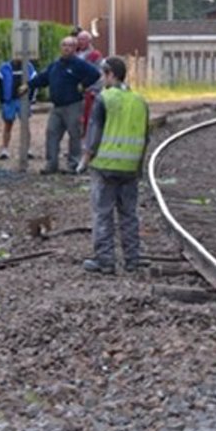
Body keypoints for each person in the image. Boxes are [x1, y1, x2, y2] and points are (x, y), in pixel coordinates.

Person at [78, 57, 149, 275]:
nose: (102, 79)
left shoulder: (104, 99)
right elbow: (145, 136)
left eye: (103, 74)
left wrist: (85, 161)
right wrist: (138, 166)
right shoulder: (139, 101)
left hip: (106, 166)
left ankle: (105, 261)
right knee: (129, 214)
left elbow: (94, 134)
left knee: (103, 214)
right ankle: (132, 259)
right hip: (130, 167)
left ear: (110, 74)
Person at [23, 36, 100, 175]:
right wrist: (28, 85)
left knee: (74, 135)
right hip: (57, 106)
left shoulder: (79, 64)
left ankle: (74, 164)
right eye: (64, 45)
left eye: (69, 45)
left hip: (73, 105)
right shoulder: (55, 65)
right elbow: (43, 78)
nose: (66, 48)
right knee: (51, 133)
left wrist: (83, 85)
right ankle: (51, 164)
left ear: (74, 48)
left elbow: (95, 74)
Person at [0, 58, 37, 160]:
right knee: (8, 125)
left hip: (23, 100)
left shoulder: (29, 67)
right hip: (9, 100)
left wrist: (30, 99)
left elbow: (34, 83)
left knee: (25, 125)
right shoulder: (4, 67)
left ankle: (27, 149)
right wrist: (2, 100)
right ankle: (4, 149)